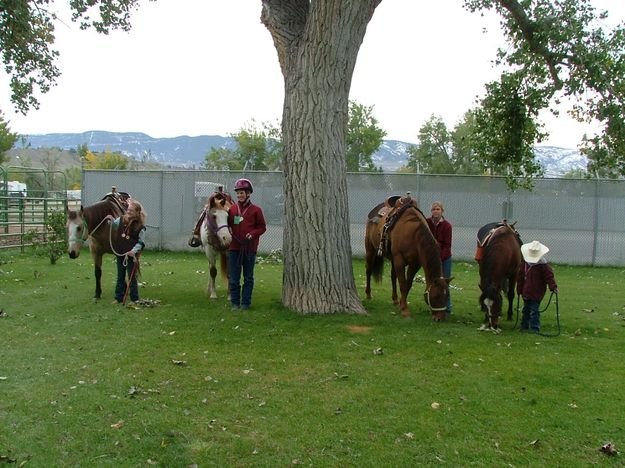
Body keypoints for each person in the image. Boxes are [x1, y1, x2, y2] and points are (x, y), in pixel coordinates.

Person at [228, 178, 266, 310]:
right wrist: (228, 228)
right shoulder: (232, 209)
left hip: (249, 249)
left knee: (248, 277)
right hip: (234, 248)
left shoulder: (256, 210)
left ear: (248, 193)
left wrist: (253, 234)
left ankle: (245, 303)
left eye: (242, 193)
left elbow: (262, 227)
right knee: (233, 277)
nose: (239, 195)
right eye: (238, 193)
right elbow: (226, 224)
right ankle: (234, 302)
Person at [106, 199, 147, 304]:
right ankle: (118, 297)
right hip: (120, 253)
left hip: (131, 255)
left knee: (132, 277)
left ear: (137, 213)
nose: (128, 212)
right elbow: (113, 225)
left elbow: (141, 243)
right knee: (120, 276)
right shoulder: (120, 220)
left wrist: (133, 251)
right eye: (128, 210)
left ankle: (135, 298)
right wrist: (110, 220)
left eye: (131, 211)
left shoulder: (140, 227)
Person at [517, 240, 558, 333]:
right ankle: (524, 325)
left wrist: (553, 287)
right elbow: (520, 277)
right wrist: (519, 289)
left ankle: (535, 327)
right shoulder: (524, 264)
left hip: (536, 292)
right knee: (526, 309)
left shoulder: (543, 266)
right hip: (526, 291)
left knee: (534, 310)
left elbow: (549, 277)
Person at [426, 201, 452, 314]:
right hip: (430, 259)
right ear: (431, 211)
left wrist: (440, 258)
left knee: (444, 283)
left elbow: (447, 245)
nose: (436, 211)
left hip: (444, 258)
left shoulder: (447, 226)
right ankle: (433, 305)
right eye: (434, 209)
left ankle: (448, 307)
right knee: (432, 283)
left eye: (438, 209)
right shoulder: (426, 223)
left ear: (442, 211)